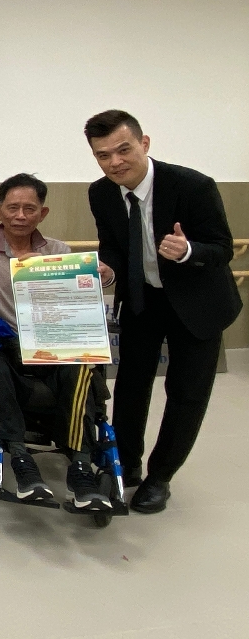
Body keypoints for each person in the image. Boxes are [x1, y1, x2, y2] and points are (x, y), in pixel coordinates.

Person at [85, 110, 242, 514]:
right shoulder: (101, 193)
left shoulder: (193, 186)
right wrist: (108, 268)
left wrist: (188, 251)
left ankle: (160, 477)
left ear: (144, 143)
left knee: (186, 393)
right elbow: (113, 244)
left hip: (198, 303)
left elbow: (222, 247)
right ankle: (126, 465)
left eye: (124, 150)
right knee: (131, 385)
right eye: (103, 155)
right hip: (143, 299)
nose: (115, 162)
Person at [0, 173, 111, 510]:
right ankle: (20, 459)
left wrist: (102, 276)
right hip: (4, 344)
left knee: (82, 369)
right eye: (12, 208)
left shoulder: (58, 251)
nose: (20, 215)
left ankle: (81, 465)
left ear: (43, 213)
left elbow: (74, 304)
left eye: (29, 209)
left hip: (52, 343)